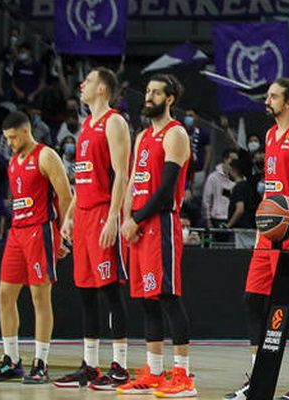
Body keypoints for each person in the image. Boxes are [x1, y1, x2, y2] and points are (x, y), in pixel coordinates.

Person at [224, 77, 289, 400]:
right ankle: (258, 377)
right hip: (268, 230)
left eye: (274, 96)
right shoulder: (271, 134)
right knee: (253, 298)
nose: (268, 100)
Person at [119, 73, 196, 397]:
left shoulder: (175, 134)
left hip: (160, 223)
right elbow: (133, 182)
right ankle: (153, 371)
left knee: (167, 297)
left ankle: (183, 375)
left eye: (156, 93)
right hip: (138, 226)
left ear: (170, 99)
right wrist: (126, 218)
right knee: (147, 301)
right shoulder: (142, 137)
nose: (148, 96)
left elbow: (166, 190)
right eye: (147, 91)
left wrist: (136, 219)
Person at [54, 67, 131, 390]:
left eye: (88, 81)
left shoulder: (114, 121)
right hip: (83, 215)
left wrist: (114, 217)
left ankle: (120, 367)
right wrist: (69, 216)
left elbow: (122, 173)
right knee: (86, 291)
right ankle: (90, 365)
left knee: (109, 289)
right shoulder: (86, 124)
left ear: (102, 89)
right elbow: (82, 178)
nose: (81, 85)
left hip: (102, 212)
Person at [0, 111, 71, 383]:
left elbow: (66, 196)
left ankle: (40, 362)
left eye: (12, 137)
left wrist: (63, 234)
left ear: (25, 131)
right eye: (6, 138)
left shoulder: (46, 156)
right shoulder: (13, 162)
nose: (9, 143)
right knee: (4, 294)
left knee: (39, 296)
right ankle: (11, 360)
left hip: (40, 230)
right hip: (17, 232)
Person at [202, 148, 237, 229]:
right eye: (232, 159)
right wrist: (208, 220)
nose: (234, 163)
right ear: (225, 159)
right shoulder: (213, 177)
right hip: (216, 218)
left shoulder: (239, 179)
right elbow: (206, 200)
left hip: (233, 219)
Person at [225, 159, 255, 229]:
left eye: (229, 170)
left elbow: (240, 209)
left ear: (234, 170)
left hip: (239, 228)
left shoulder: (238, 187)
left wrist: (228, 225)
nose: (228, 173)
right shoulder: (247, 186)